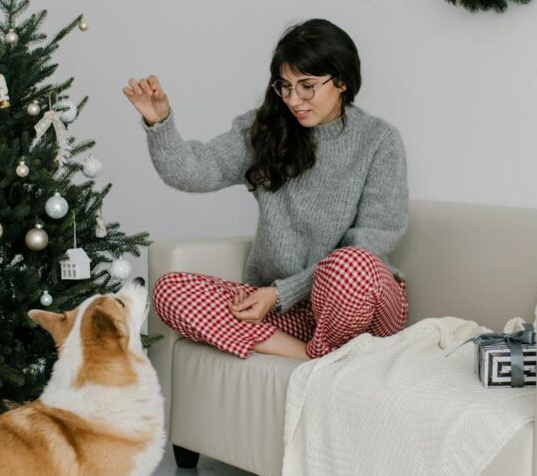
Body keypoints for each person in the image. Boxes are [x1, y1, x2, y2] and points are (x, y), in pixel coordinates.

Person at [123, 18, 409, 360]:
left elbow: (372, 243)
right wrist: (159, 123)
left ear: (343, 81)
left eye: (307, 86)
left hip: (361, 304)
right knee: (170, 291)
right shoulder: (265, 129)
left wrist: (280, 293)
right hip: (292, 315)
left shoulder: (378, 140)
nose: (294, 100)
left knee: (349, 265)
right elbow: (194, 171)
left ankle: (329, 352)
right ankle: (316, 357)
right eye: (285, 86)